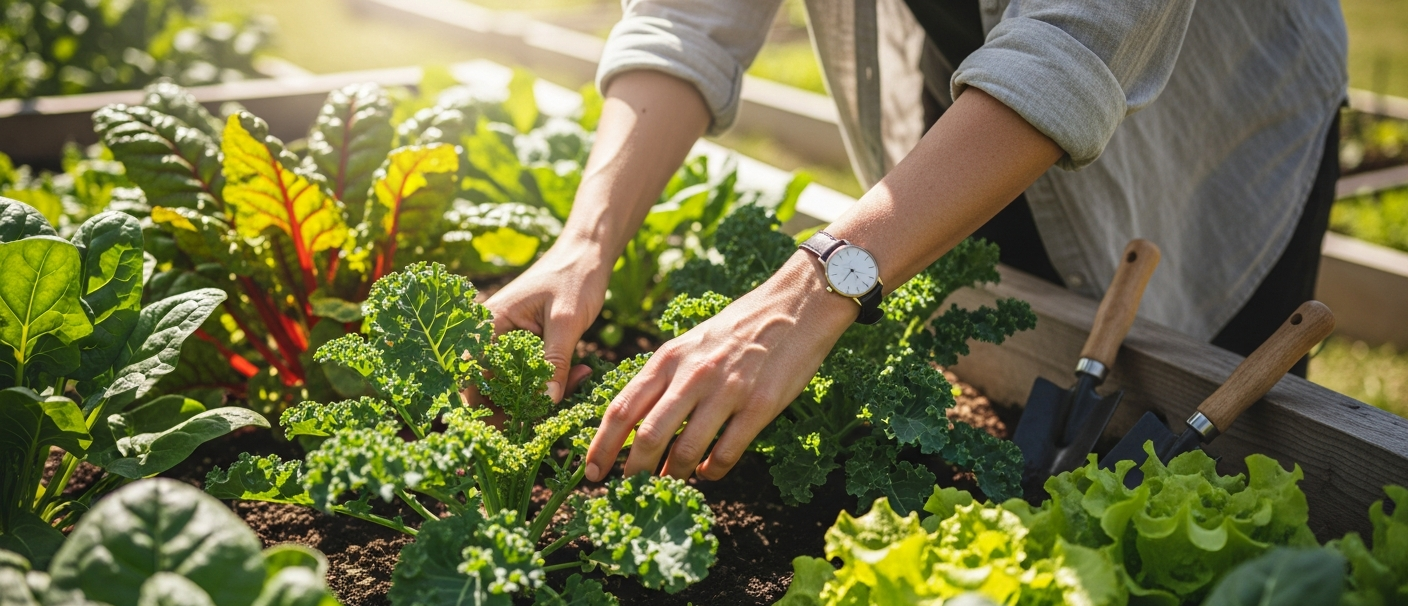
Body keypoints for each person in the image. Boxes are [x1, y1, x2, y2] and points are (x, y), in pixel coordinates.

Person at [484, 0, 1348, 486]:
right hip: (968, 84)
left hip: (1204, 135)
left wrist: (812, 286)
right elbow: (688, 18)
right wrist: (583, 243)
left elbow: (1070, 47)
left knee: (1220, 474)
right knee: (1029, 372)